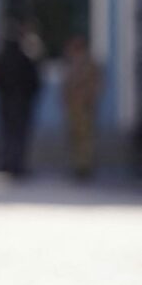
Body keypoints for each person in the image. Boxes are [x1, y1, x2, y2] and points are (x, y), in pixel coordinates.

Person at [0, 21, 41, 178]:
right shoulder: (25, 58)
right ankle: (17, 166)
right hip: (21, 104)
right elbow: (35, 82)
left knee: (6, 134)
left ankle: (7, 164)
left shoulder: (1, 58)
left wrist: (2, 90)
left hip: (6, 102)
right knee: (19, 136)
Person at [61, 35, 102, 180]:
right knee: (74, 137)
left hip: (84, 107)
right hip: (74, 106)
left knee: (85, 138)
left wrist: (88, 98)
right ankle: (77, 165)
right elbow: (66, 86)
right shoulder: (71, 64)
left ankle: (84, 167)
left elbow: (95, 85)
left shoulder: (89, 64)